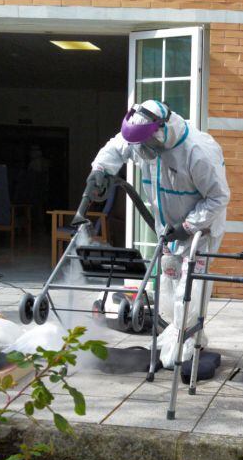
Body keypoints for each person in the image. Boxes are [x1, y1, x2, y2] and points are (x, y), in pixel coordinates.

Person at [83, 101, 230, 368]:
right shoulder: (142, 140)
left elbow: (218, 198)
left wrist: (187, 227)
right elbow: (116, 147)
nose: (139, 151)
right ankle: (174, 331)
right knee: (169, 280)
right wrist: (100, 170)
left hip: (201, 229)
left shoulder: (198, 151)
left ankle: (188, 339)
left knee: (190, 286)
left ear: (160, 131)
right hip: (166, 227)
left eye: (144, 144)